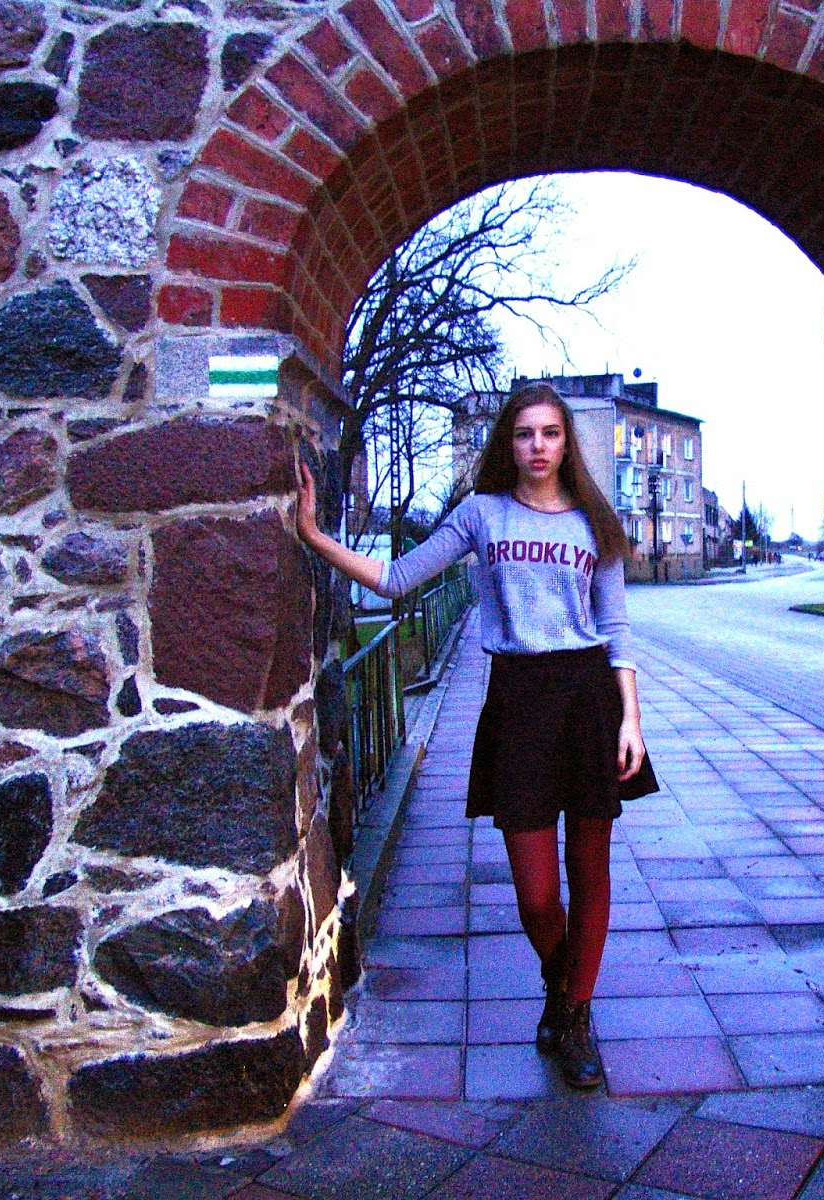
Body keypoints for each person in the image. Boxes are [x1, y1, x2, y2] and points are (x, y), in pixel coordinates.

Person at [294, 382, 659, 1089]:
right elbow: (396, 578)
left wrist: (632, 719)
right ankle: (561, 982)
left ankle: (575, 1016)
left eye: (550, 433)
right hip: (518, 701)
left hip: (588, 699)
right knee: (535, 894)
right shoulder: (482, 514)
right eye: (524, 434)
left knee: (591, 871)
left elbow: (616, 630)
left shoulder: (596, 521)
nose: (538, 446)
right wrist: (314, 536)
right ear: (507, 443)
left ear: (566, 442)